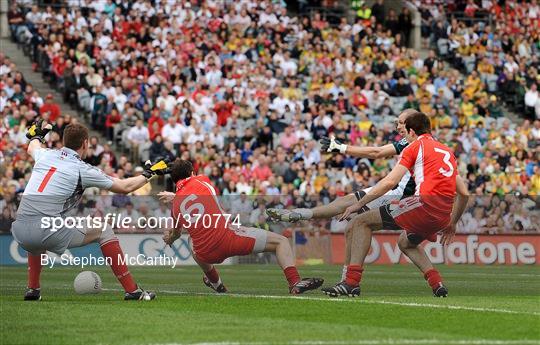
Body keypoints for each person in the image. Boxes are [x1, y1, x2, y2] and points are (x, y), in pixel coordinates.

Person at [11, 119, 170, 301]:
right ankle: (132, 291)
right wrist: (149, 174)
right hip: (46, 230)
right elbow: (124, 186)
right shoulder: (82, 169)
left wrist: (37, 135)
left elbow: (32, 147)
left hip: (20, 229)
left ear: (64, 141)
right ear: (85, 144)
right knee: (104, 230)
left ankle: (33, 290)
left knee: (37, 236)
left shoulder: (45, 155)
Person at [321, 112, 469, 297]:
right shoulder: (446, 151)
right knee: (405, 242)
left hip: (422, 205)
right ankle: (436, 283)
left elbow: (389, 182)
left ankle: (351, 283)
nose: (403, 135)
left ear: (412, 131)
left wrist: (360, 203)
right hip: (443, 216)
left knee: (360, 222)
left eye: (404, 130)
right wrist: (452, 222)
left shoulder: (414, 147)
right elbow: (464, 193)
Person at [160, 159, 323, 295]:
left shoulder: (175, 207)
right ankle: (294, 282)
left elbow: (175, 234)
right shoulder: (202, 180)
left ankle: (216, 283)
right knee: (281, 242)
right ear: (192, 173)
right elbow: (195, 194)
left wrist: (169, 237)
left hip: (207, 255)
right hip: (229, 240)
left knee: (193, 243)